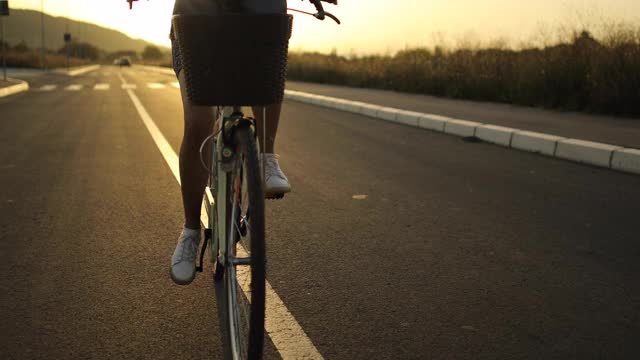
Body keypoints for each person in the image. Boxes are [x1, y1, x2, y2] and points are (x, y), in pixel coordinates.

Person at [169, 0, 290, 285]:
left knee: (269, 71)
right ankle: (190, 230)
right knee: (199, 121)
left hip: (257, 19)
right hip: (195, 20)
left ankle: (266, 157)